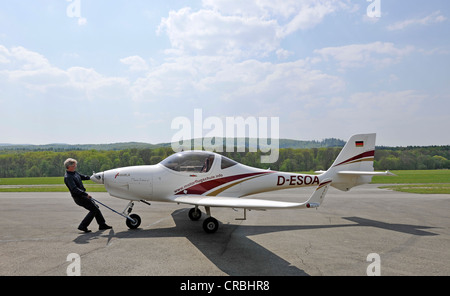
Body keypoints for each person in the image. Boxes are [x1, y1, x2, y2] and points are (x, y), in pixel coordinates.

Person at [64, 158, 112, 233]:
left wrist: (92, 177)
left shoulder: (74, 173)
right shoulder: (68, 177)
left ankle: (102, 224)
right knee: (94, 209)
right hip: (79, 197)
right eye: (74, 166)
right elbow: (74, 189)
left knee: (95, 208)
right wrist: (86, 194)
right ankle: (83, 226)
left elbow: (83, 177)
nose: (75, 167)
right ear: (69, 167)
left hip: (82, 196)